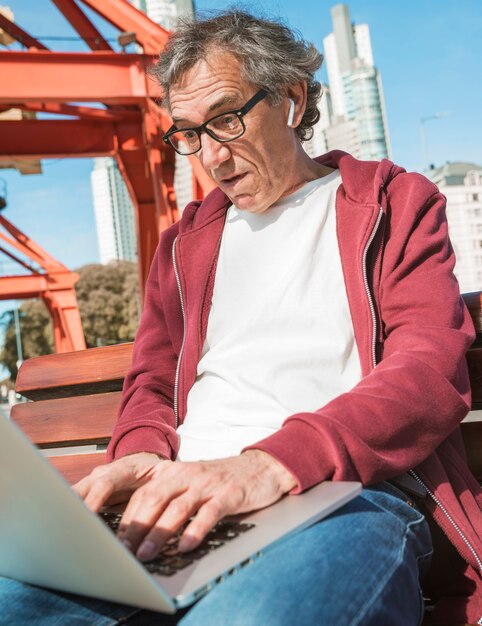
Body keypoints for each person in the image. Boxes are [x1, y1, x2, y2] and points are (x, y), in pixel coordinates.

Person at [2, 10, 482, 626]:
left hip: (341, 496)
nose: (212, 157)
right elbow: (150, 383)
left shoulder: (394, 203)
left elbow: (428, 371)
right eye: (190, 133)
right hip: (186, 501)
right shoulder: (183, 247)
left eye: (226, 119)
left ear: (290, 97)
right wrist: (141, 457)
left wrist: (265, 466)